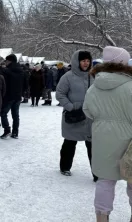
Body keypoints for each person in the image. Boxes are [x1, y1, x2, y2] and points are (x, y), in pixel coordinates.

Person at [83, 46, 132, 222]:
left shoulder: (94, 87)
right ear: (122, 63)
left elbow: (87, 110)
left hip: (102, 138)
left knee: (105, 180)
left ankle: (101, 217)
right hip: (129, 140)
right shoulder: (131, 85)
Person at [56, 50, 97, 181]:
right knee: (69, 143)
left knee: (93, 146)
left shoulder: (94, 76)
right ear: (76, 61)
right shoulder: (67, 76)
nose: (86, 63)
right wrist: (70, 106)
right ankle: (65, 167)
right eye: (83, 60)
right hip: (73, 116)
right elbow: (60, 93)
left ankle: (97, 173)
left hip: (90, 117)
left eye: (88, 60)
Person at [0, 55, 27, 139]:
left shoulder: (6, 71)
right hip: (18, 96)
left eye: (6, 61)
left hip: (8, 96)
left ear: (10, 61)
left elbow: (3, 84)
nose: (6, 62)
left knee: (3, 113)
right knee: (15, 115)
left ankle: (7, 130)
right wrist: (21, 92)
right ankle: (15, 133)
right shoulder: (22, 71)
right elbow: (26, 85)